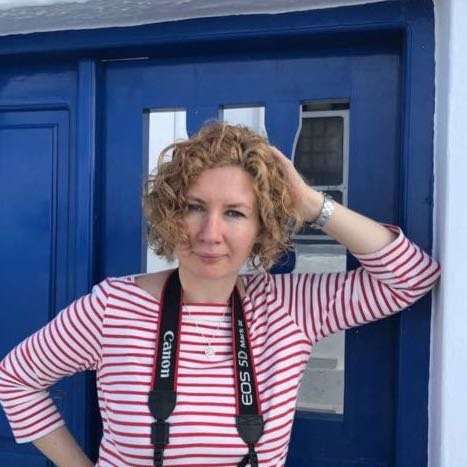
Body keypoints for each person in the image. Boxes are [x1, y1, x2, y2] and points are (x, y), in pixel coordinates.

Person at [0, 122, 440, 467]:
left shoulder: (288, 308)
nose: (210, 233)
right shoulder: (114, 308)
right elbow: (14, 380)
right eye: (195, 207)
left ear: (262, 226)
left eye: (235, 213)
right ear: (171, 214)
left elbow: (412, 277)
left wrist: (310, 205)